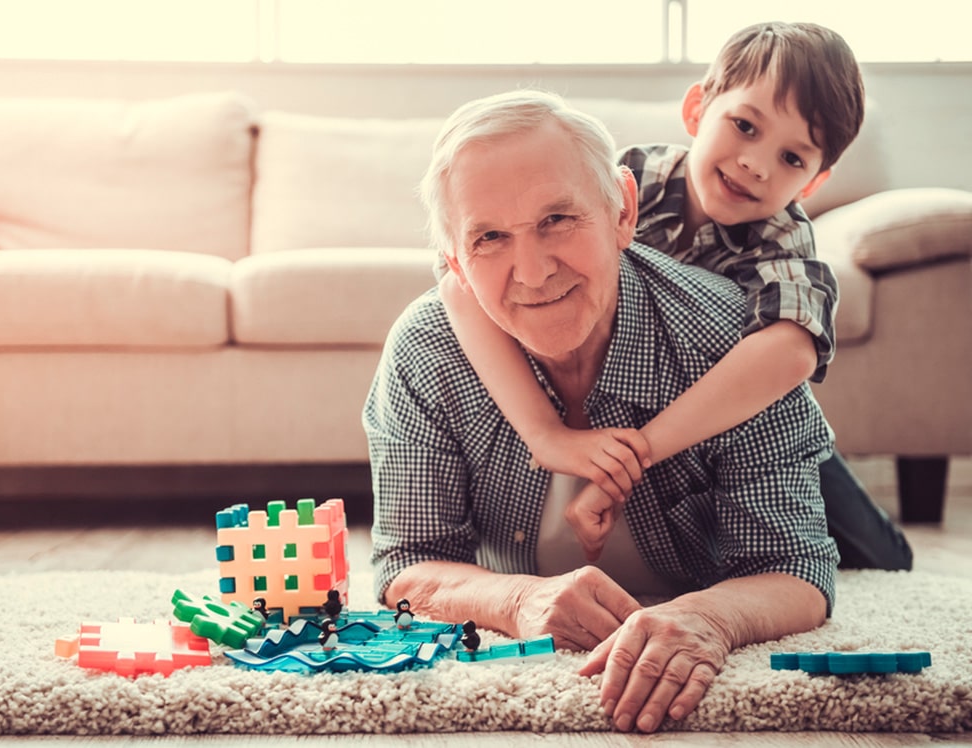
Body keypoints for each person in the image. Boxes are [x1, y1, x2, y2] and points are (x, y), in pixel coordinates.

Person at [363, 88, 839, 732]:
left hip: (792, 466)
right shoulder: (427, 351)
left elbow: (795, 566)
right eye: (490, 237)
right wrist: (518, 599)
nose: (531, 272)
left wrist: (706, 616)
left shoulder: (735, 348)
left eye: (558, 219)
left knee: (865, 542)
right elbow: (406, 564)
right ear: (454, 260)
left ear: (623, 210)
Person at [436, 22, 912, 570]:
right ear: (696, 110)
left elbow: (792, 353)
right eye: (745, 126)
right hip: (637, 394)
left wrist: (642, 451)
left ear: (811, 185)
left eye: (792, 159)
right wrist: (544, 433)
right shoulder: (632, 176)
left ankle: (881, 548)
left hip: (745, 421)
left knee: (872, 552)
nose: (756, 163)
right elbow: (458, 284)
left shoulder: (784, 237)